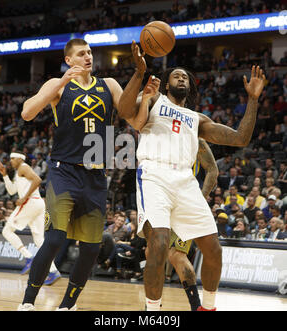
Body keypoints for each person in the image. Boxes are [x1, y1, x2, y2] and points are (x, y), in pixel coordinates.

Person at [118, 40, 265, 311]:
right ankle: (153, 311)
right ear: (166, 84)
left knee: (213, 250)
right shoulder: (154, 101)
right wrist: (139, 74)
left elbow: (240, 138)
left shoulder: (196, 118)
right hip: (154, 174)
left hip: (185, 180)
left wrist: (253, 100)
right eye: (176, 75)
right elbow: (125, 111)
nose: (182, 77)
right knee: (159, 244)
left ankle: (207, 308)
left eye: (185, 76)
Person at [18, 38, 125, 311]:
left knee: (91, 248)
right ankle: (28, 303)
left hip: (96, 177)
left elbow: (132, 115)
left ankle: (67, 306)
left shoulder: (109, 85)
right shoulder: (58, 84)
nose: (88, 56)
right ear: (69, 60)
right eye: (81, 53)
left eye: (90, 52)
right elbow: (27, 112)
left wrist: (144, 91)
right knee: (55, 238)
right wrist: (61, 82)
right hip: (63, 171)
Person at [168, 138, 219, 311]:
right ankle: (151, 304)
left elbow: (213, 170)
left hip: (185, 203)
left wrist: (201, 197)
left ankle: (197, 306)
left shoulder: (195, 139)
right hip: (160, 200)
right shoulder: (158, 133)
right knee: (153, 252)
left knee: (177, 255)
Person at [0, 154, 60, 283]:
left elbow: (37, 180)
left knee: (6, 231)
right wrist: (4, 175)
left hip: (30, 202)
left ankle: (28, 257)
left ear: (20, 159)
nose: (11, 161)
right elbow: (12, 191)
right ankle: (53, 271)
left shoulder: (23, 167)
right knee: (39, 240)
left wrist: (24, 197)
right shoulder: (18, 172)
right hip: (37, 204)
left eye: (13, 158)